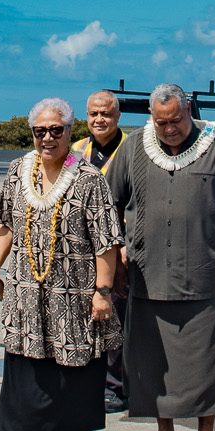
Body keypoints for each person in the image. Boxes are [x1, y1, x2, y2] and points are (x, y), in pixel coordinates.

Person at [104, 83, 215, 431]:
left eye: (175, 120)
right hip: (147, 277)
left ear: (188, 110)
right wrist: (117, 256)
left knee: (207, 364)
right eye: (161, 123)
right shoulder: (134, 147)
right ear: (151, 118)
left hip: (207, 278)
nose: (170, 129)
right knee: (153, 365)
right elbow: (110, 203)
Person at [0, 98, 122, 431]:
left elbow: (106, 243)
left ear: (70, 131)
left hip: (75, 294)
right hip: (25, 291)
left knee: (76, 368)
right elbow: (5, 225)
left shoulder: (88, 179)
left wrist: (103, 292)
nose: (48, 138)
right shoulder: (17, 170)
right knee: (22, 368)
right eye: (40, 131)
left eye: (56, 130)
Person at [73, 89, 131, 408]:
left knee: (115, 317)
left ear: (117, 117)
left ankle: (115, 385)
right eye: (93, 114)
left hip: (117, 249)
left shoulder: (132, 150)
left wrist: (125, 246)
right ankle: (88, 380)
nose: (99, 119)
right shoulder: (76, 151)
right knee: (86, 316)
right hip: (82, 250)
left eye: (106, 114)